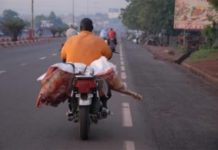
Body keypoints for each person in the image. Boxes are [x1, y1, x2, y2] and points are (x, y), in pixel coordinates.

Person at [60, 18, 112, 115]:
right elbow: (108, 55)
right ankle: (104, 105)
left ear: (80, 28)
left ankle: (71, 106)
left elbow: (63, 56)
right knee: (107, 82)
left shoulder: (70, 40)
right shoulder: (99, 40)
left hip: (75, 73)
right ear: (92, 28)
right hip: (93, 73)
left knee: (67, 86)